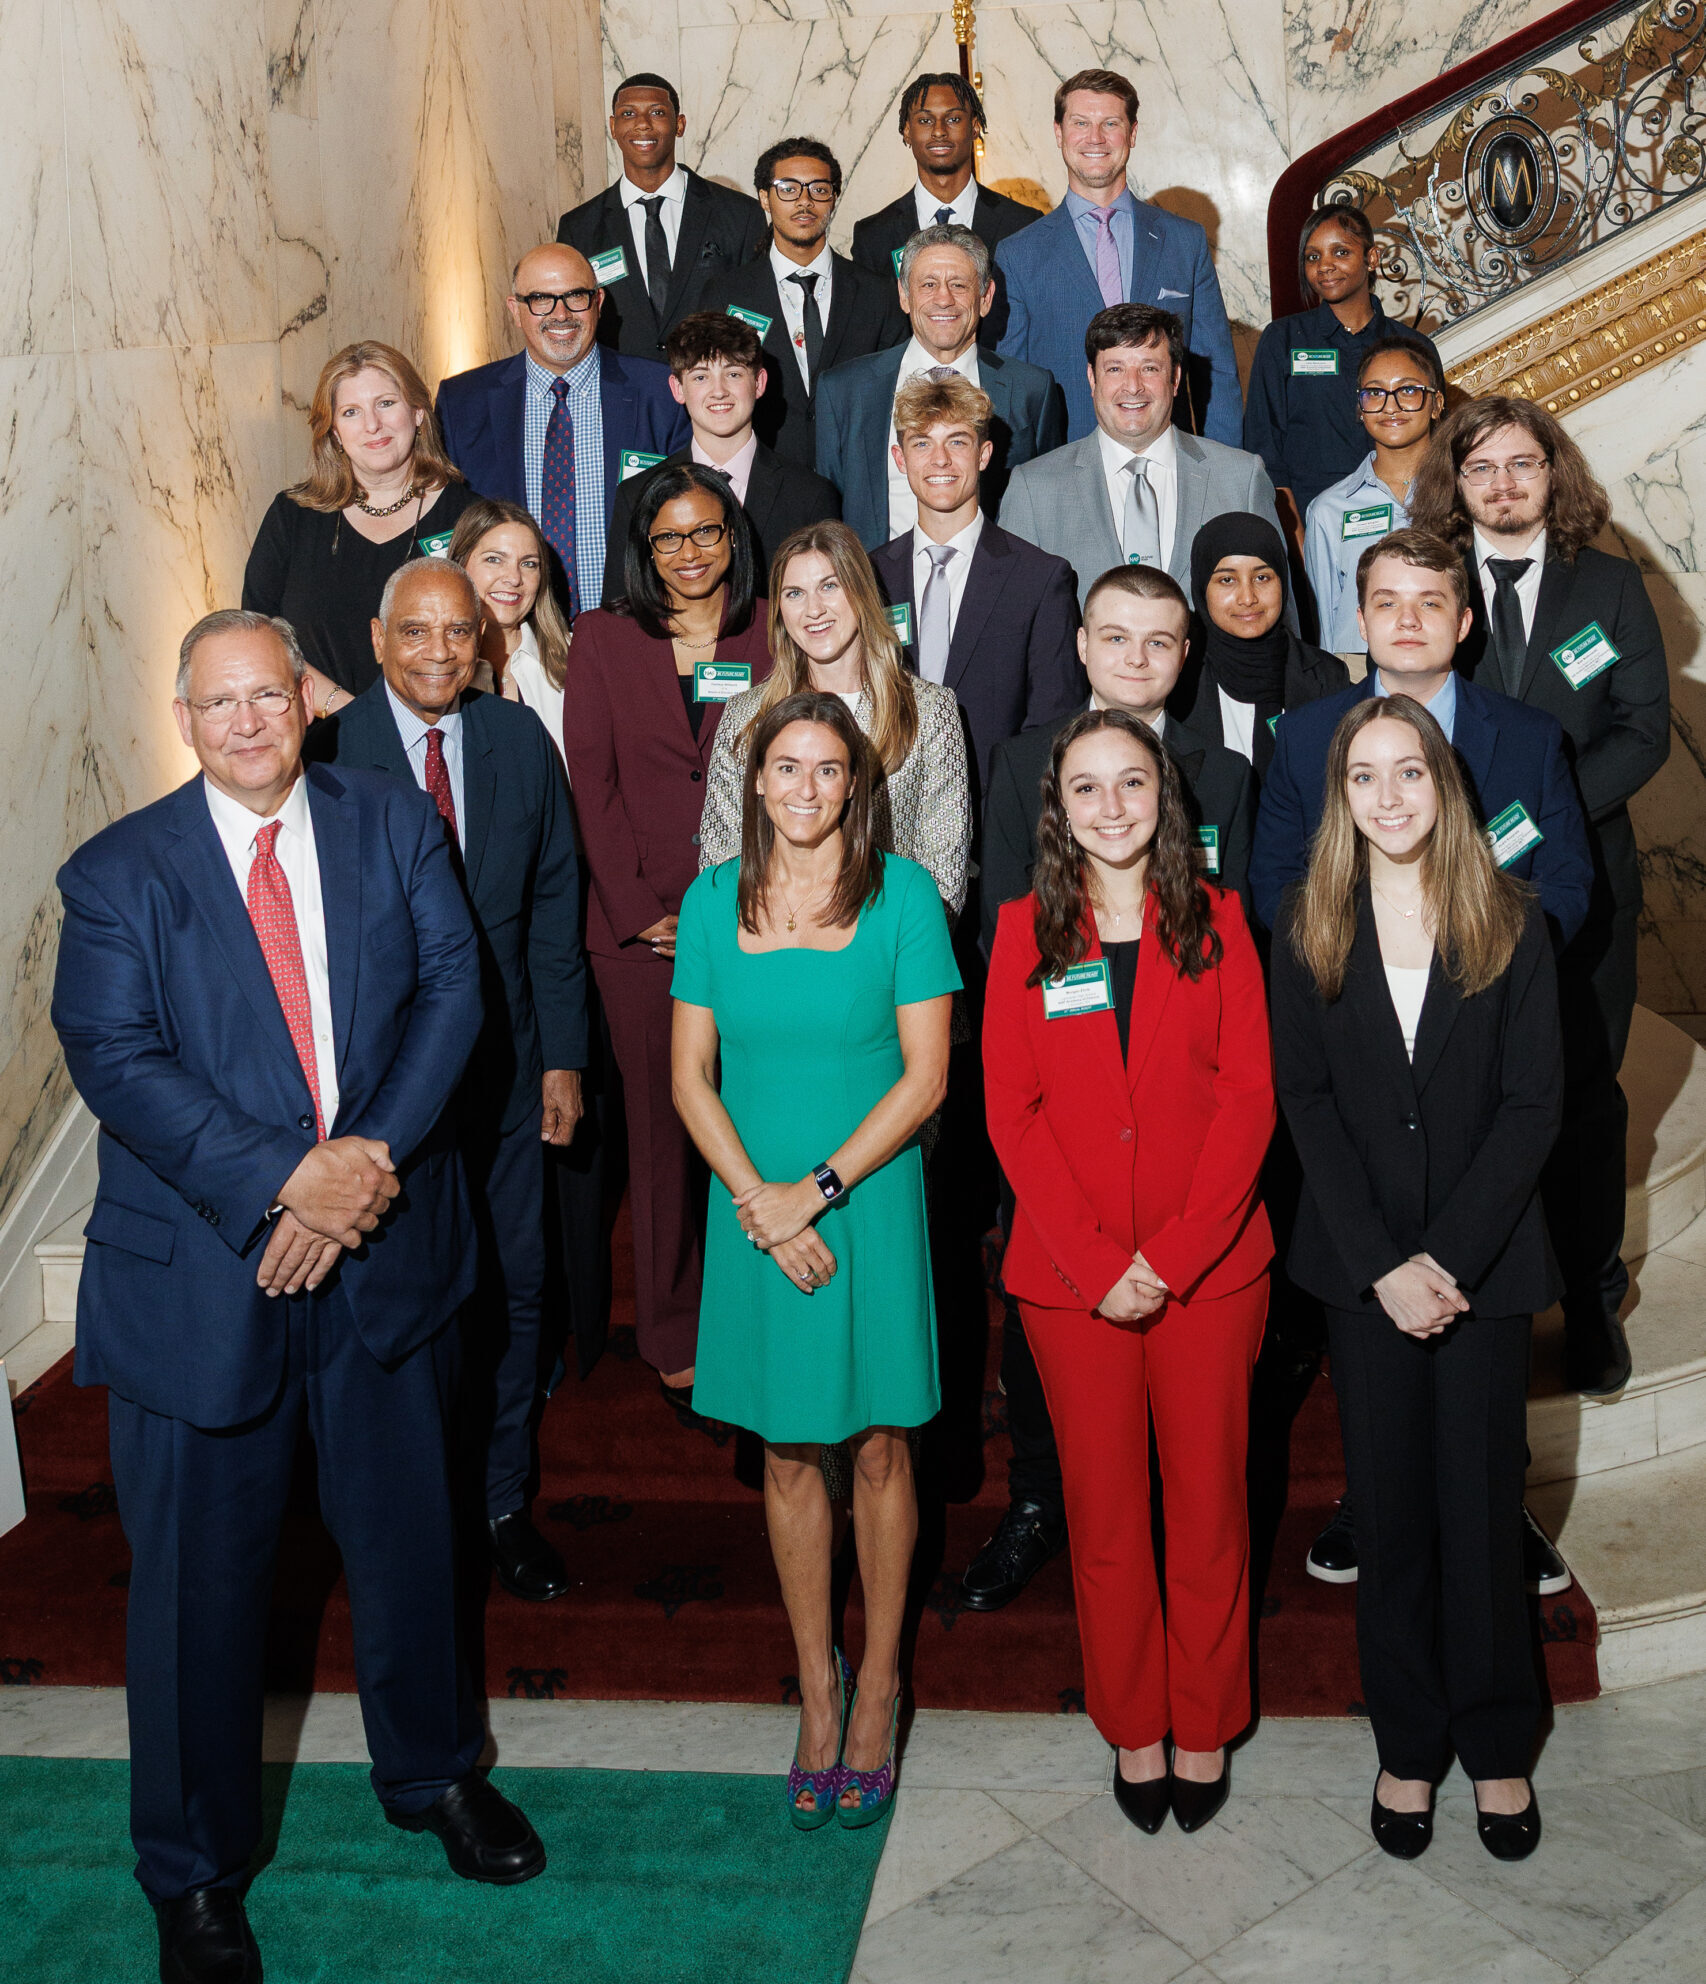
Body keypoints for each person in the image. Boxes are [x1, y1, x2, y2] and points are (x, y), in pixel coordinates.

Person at [52, 609, 544, 1984]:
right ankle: (194, 1873)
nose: (249, 723)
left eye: (269, 695)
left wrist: (363, 1169)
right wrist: (287, 1184)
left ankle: (436, 1775)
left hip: (387, 1262)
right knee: (196, 1599)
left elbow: (456, 989)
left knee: (414, 1546)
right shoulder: (117, 873)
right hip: (207, 1287)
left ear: (308, 701)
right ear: (184, 718)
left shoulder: (389, 821)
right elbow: (114, 1054)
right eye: (221, 705)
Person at [1270, 693, 1560, 1864]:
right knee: (1389, 1513)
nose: (1387, 797)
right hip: (1362, 1275)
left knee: (1481, 1509)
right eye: (1362, 777)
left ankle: (1494, 1741)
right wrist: (1383, 1265)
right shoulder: (1304, 923)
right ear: (1338, 798)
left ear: (1443, 787)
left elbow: (1533, 1104)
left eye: (1409, 773)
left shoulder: (1510, 918)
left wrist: (1447, 1256)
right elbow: (1310, 1105)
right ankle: (1405, 1740)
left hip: (1480, 1269)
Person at [672, 690, 959, 1827]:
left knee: (881, 1449)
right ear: (751, 782)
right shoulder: (707, 900)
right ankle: (815, 1686)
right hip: (753, 1211)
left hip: (867, 1200)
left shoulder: (904, 898)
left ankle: (882, 1682)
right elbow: (691, 1074)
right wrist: (759, 1202)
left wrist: (816, 1194)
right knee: (790, 1455)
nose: (803, 788)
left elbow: (926, 1078)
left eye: (826, 769)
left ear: (857, 783)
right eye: (783, 767)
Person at [984, 708, 1273, 1834]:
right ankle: (1133, 1725)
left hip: (1209, 1271)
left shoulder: (1221, 921)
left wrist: (1176, 1254)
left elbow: (1249, 1099)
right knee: (1102, 1514)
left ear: (1165, 800)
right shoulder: (1020, 932)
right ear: (1056, 806)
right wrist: (1103, 1263)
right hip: (1072, 1280)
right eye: (1086, 788)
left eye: (1132, 785)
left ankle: (1202, 1723)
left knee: (1204, 1508)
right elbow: (1012, 1112)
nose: (1111, 808)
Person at [967, 567, 1254, 1612]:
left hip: (1177, 1118)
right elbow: (1009, 925)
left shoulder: (1219, 775)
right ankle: (1040, 1498)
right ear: (1080, 647)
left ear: (1185, 660)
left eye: (1159, 642)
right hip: (1058, 1096)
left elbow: (1234, 943)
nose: (1135, 659)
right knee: (1038, 1310)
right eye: (1115, 638)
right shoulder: (1017, 761)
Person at [309, 558, 589, 1604]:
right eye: (414, 632)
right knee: (400, 1294)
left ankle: (501, 1498)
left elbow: (556, 902)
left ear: (484, 642)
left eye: (456, 632)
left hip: (509, 1069)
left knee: (516, 1289)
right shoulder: (331, 750)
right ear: (377, 642)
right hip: (382, 1092)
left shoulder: (517, 740)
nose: (437, 651)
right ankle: (396, 1505)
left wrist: (563, 1055)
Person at [1411, 397, 1671, 1395]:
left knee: (1581, 1097)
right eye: (1481, 469)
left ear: (1551, 475)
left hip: (1583, 884)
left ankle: (1592, 1298)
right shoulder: (1427, 582)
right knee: (1469, 1096)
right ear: (1455, 483)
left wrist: (1539, 817)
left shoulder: (1605, 587)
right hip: (1447, 882)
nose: (1502, 485)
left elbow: (1641, 730)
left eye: (1521, 465)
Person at [563, 464, 772, 1387]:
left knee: (760, 1121)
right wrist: (646, 913)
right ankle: (674, 1333)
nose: (692, 554)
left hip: (760, 924)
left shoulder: (771, 633)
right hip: (639, 934)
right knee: (659, 1134)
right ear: (644, 550)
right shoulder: (603, 639)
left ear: (735, 536)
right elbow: (591, 785)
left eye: (708, 533)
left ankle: (760, 1300)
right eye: (670, 538)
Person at [698, 521, 970, 919]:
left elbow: (943, 881)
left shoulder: (929, 710)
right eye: (794, 593)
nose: (813, 610)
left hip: (887, 954)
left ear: (860, 592)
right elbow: (720, 862)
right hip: (773, 950)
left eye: (830, 586)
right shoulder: (748, 715)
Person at [435, 243, 690, 619]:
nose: (561, 314)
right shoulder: (462, 402)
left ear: (598, 301)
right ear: (514, 310)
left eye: (576, 296)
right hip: (512, 637)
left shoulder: (662, 392)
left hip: (633, 628)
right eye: (540, 299)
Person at [996, 69, 1241, 446]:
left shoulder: (1184, 241)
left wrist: (1225, 478)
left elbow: (1217, 374)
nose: (1095, 137)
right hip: (1064, 467)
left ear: (1133, 133)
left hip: (1170, 466)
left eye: (1110, 123)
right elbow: (1011, 387)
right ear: (1059, 133)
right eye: (1081, 123)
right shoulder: (1018, 254)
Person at [869, 373, 1079, 798]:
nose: (940, 460)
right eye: (922, 443)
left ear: (984, 454)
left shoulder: (1040, 579)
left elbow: (1054, 727)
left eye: (957, 441)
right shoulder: (868, 577)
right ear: (899, 457)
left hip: (994, 819)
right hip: (884, 818)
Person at [999, 305, 1282, 616]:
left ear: (1175, 378)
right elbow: (1013, 620)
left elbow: (1279, 617)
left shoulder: (1241, 478)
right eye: (1115, 369)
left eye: (1149, 368)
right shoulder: (1034, 488)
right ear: (1092, 378)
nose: (1132, 386)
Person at [243, 341, 479, 711]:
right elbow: (258, 633)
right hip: (321, 739)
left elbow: (488, 642)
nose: (373, 425)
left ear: (418, 412)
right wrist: (348, 713)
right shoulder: (292, 517)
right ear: (335, 432)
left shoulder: (469, 518)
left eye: (386, 403)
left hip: (435, 736)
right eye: (351, 412)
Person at [816, 222, 1066, 549]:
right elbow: (828, 519)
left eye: (959, 285)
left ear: (986, 297)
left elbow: (1049, 503)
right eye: (928, 284)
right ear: (904, 296)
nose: (943, 299)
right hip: (879, 591)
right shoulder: (844, 391)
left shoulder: (1032, 389)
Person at [603, 311, 841, 605]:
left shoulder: (810, 496)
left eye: (733, 374)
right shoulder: (636, 496)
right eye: (701, 376)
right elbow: (620, 612)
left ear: (759, 383)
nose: (718, 391)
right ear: (678, 388)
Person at [699, 138, 908, 470]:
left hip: (858, 477)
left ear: (834, 198)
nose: (805, 202)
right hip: (765, 477)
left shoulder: (879, 295)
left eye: (819, 190)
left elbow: (900, 398)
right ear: (764, 198)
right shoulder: (726, 296)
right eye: (788, 189)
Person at [1243, 206, 1444, 540]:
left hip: (1407, 524)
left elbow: (1437, 447)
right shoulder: (1282, 340)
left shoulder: (1413, 346)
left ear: (1371, 258)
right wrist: (1300, 549)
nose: (1324, 266)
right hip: (1314, 526)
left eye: (1341, 252)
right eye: (1312, 257)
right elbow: (1265, 455)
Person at [557, 72, 767, 357]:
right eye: (628, 113)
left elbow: (758, 310)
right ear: (613, 126)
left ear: (679, 125)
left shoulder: (740, 214)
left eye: (657, 112)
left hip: (713, 392)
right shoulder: (578, 227)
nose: (642, 124)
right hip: (622, 393)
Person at [849, 72, 1041, 345]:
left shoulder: (1023, 224)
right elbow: (871, 338)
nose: (939, 131)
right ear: (906, 130)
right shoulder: (874, 236)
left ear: (974, 127)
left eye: (953, 119)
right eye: (925, 120)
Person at [1171, 512, 1347, 780]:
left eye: (1262, 577)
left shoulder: (1328, 677)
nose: (1248, 598)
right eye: (1227, 580)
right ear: (1201, 588)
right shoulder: (1177, 680)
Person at [1304, 340, 1445, 658]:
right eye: (1375, 393)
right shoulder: (1329, 510)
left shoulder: (1464, 493)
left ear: (1436, 404)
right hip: (1358, 676)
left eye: (1408, 390)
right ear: (1360, 408)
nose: (1390, 406)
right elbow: (1325, 623)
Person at [448, 497, 573, 736]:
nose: (514, 578)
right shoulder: (432, 666)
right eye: (494, 559)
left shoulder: (579, 656)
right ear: (459, 565)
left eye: (528, 564)